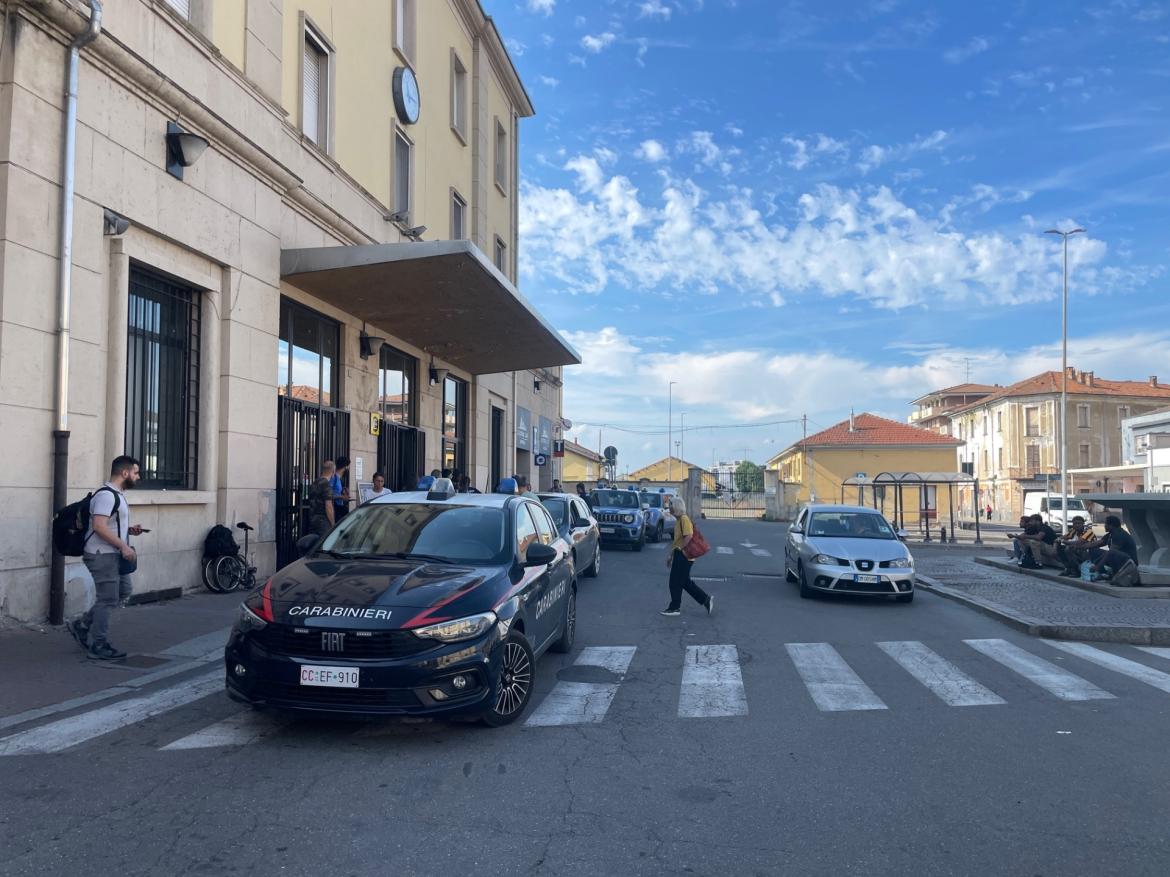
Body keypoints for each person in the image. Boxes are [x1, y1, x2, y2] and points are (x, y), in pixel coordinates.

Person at [68, 456, 145, 660]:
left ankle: (82, 624)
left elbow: (108, 524)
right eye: (136, 472)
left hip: (113, 554)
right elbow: (99, 526)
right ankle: (99, 645)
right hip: (102, 555)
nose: (138, 477)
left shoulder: (117, 494)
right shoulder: (107, 496)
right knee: (108, 599)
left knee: (123, 590)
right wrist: (124, 546)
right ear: (125, 473)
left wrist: (129, 530)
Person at [660, 496, 714, 617]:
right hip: (681, 554)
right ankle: (705, 600)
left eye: (671, 506)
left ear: (676, 507)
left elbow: (688, 536)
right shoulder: (679, 520)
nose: (669, 509)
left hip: (684, 555)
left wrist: (679, 549)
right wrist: (671, 554)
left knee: (675, 582)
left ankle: (675, 607)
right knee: (684, 582)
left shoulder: (684, 519)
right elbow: (677, 541)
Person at [1085, 515, 1141, 584]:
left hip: (1129, 562)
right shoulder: (1111, 534)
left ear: (1111, 525)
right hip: (1118, 559)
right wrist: (1078, 546)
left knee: (1112, 552)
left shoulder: (1119, 534)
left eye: (1106, 524)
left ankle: (1110, 573)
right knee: (1093, 550)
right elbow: (1096, 544)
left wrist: (1098, 566)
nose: (1104, 526)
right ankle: (1105, 574)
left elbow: (1111, 552)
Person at [307, 461, 336, 537]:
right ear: (333, 472)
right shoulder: (326, 484)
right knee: (325, 544)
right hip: (323, 520)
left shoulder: (314, 483)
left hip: (312, 518)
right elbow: (328, 506)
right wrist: (333, 524)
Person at [332, 455, 352, 522]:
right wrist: (342, 497)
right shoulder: (333, 478)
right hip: (335, 509)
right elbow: (328, 494)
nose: (349, 469)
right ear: (345, 467)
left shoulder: (339, 479)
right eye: (348, 466)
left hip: (339, 508)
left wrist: (343, 491)